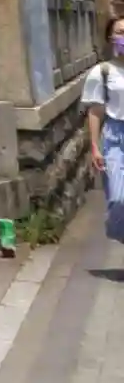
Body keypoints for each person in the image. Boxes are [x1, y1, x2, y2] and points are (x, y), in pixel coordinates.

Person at [83, 14, 124, 241]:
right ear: (110, 38)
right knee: (118, 199)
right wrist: (95, 147)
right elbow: (96, 111)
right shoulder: (102, 72)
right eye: (120, 32)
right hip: (115, 137)